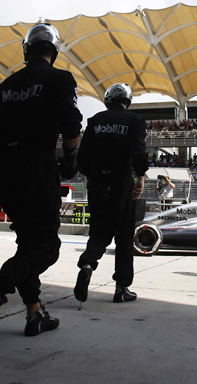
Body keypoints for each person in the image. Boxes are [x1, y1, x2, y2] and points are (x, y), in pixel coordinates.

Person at [0, 22, 82, 353]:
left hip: (6, 168)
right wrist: (71, 156)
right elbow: (72, 124)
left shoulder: (6, 85)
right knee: (46, 246)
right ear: (53, 50)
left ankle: (35, 313)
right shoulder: (61, 79)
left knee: (28, 243)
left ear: (27, 49)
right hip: (36, 164)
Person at [73, 83, 148, 304]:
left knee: (98, 232)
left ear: (108, 100)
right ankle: (121, 288)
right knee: (124, 236)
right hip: (122, 184)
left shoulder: (95, 121)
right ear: (128, 100)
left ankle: (87, 264)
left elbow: (83, 158)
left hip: (97, 184)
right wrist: (141, 177)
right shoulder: (135, 121)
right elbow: (139, 151)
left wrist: (94, 175)